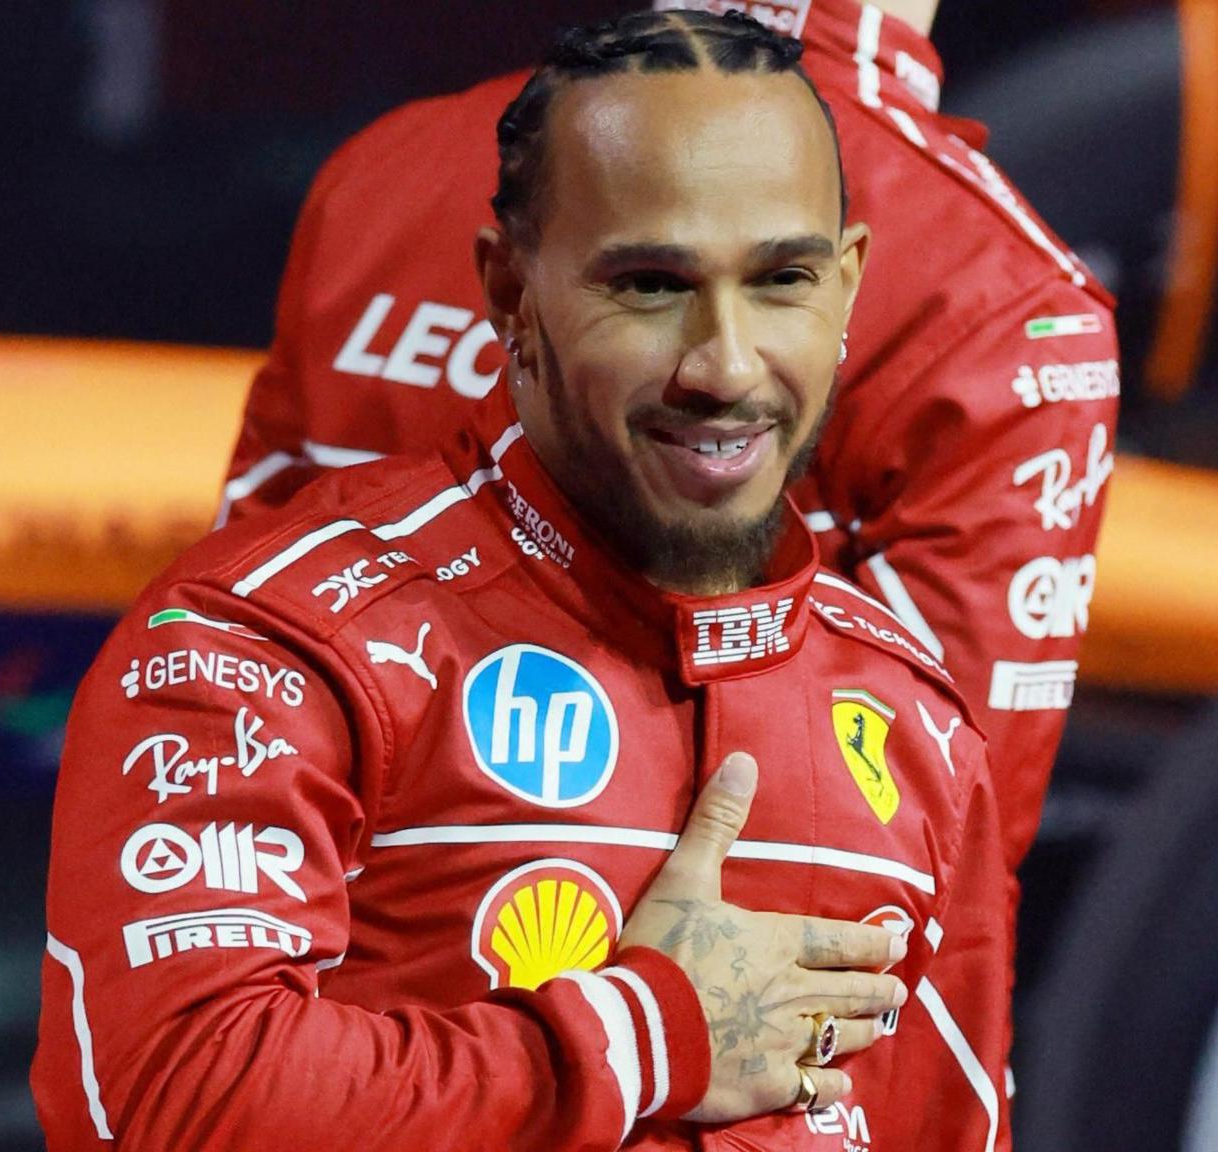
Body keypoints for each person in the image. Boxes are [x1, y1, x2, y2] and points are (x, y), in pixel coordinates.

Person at [33, 12, 1011, 1149]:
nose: (726, 365)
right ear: (508, 293)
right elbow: (172, 1099)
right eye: (649, 286)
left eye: (782, 278)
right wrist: (645, 1034)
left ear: (847, 286)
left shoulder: (918, 727)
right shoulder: (266, 641)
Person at [222, 0, 1118, 877]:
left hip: (327, 965)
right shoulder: (1004, 296)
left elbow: (231, 696)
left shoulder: (388, 167)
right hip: (707, 1005)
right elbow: (937, 868)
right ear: (505, 285)